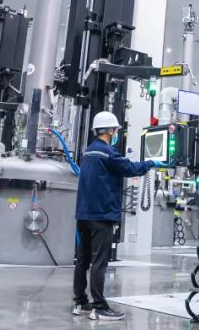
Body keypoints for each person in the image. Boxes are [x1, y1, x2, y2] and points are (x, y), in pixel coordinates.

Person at [73, 111, 166, 321]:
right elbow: (130, 168)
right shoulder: (107, 153)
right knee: (100, 261)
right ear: (109, 130)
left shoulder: (88, 151)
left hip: (84, 214)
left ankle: (80, 302)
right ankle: (100, 307)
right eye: (115, 130)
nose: (116, 133)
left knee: (83, 260)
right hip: (102, 215)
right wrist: (150, 163)